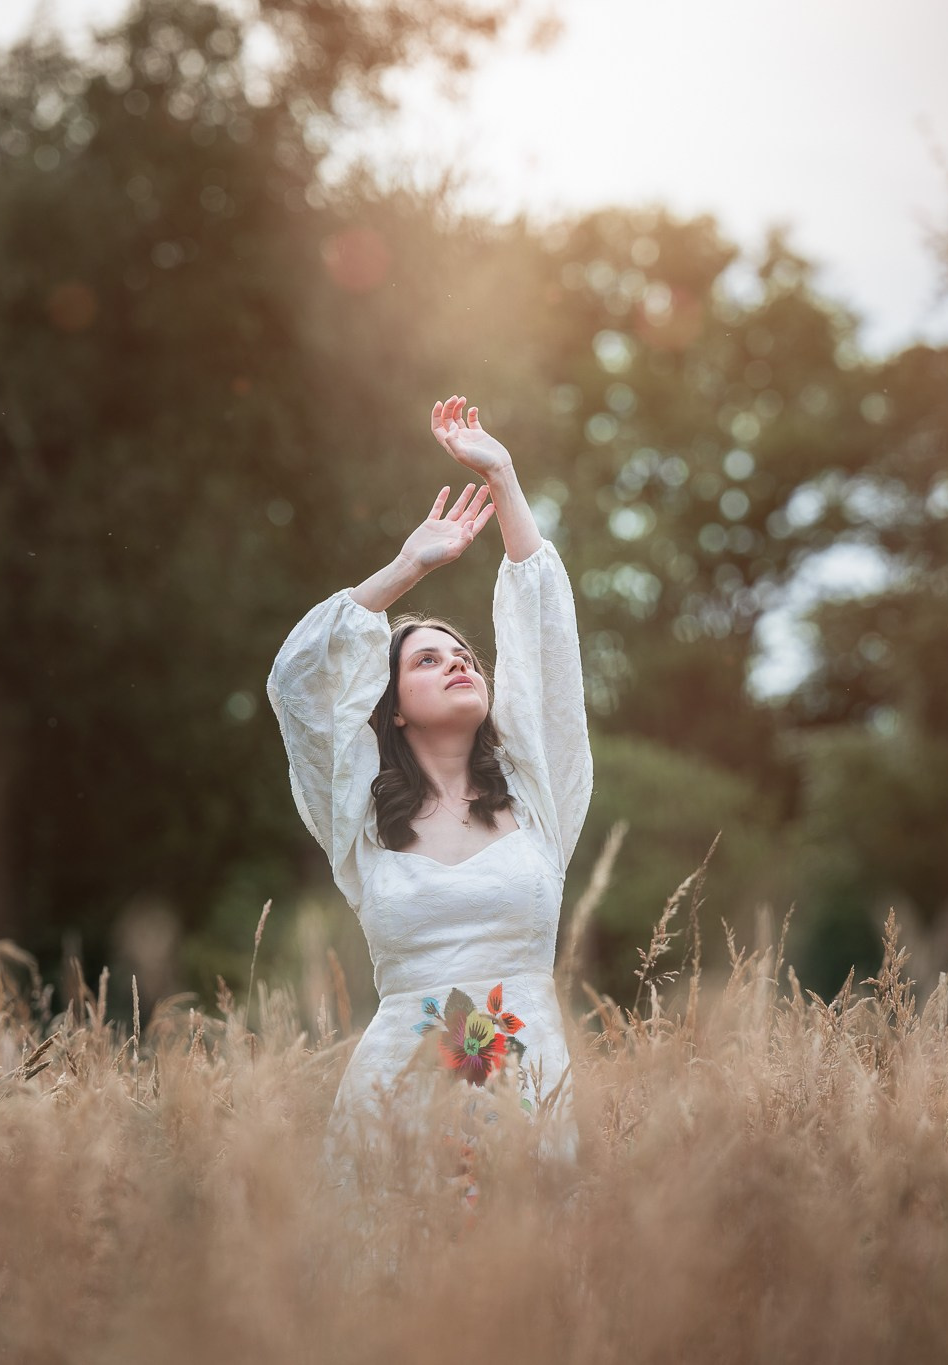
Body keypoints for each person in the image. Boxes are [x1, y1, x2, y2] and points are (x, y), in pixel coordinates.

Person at [265, 395, 594, 1199]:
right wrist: (410, 566)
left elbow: (544, 635)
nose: (458, 662)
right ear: (394, 708)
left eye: (465, 654)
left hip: (531, 1100)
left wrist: (503, 474)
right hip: (392, 1111)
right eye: (427, 660)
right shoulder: (359, 822)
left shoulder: (535, 795)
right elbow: (298, 678)